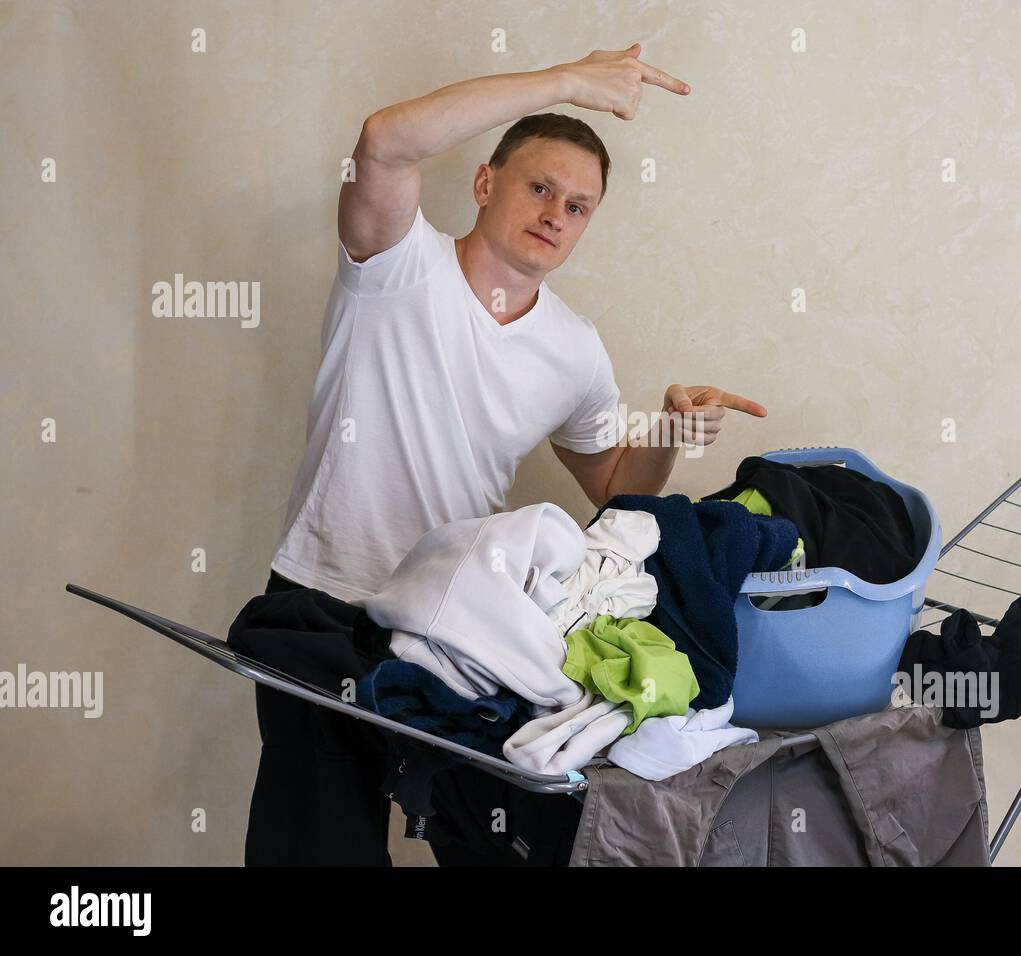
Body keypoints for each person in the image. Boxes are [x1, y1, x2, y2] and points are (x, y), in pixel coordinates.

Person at [243, 44, 768, 866]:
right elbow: (384, 139)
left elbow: (618, 488)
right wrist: (569, 83)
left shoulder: (575, 351)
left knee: (487, 843)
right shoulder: (393, 262)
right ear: (485, 183)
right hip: (326, 601)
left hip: (460, 628)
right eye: (540, 187)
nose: (558, 212)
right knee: (319, 848)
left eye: (580, 206)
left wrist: (668, 435)